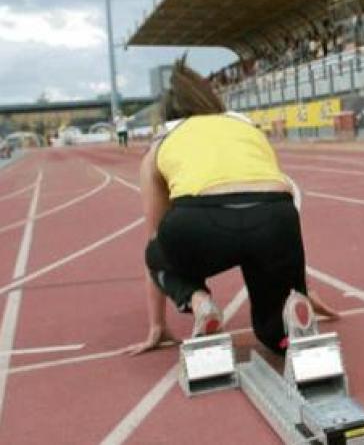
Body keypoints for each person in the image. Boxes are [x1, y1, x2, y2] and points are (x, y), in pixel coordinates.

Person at [129, 60, 337, 355]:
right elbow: (282, 192)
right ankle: (289, 317)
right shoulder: (245, 126)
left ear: (170, 114)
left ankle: (200, 303)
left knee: (156, 254)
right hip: (274, 217)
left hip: (199, 221)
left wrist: (157, 323)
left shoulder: (162, 142)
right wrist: (300, 286)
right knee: (272, 333)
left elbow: (154, 240)